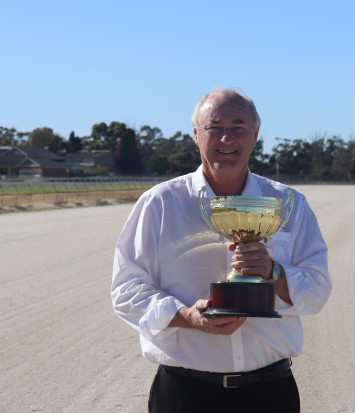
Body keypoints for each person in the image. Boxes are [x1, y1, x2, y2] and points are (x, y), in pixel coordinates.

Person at [111, 88, 332, 413]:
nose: (227, 138)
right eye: (215, 127)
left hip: (271, 394)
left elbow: (318, 290)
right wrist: (187, 317)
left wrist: (274, 273)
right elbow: (126, 291)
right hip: (184, 395)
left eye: (238, 128)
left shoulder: (289, 204)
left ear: (255, 134)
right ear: (196, 134)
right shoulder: (159, 204)